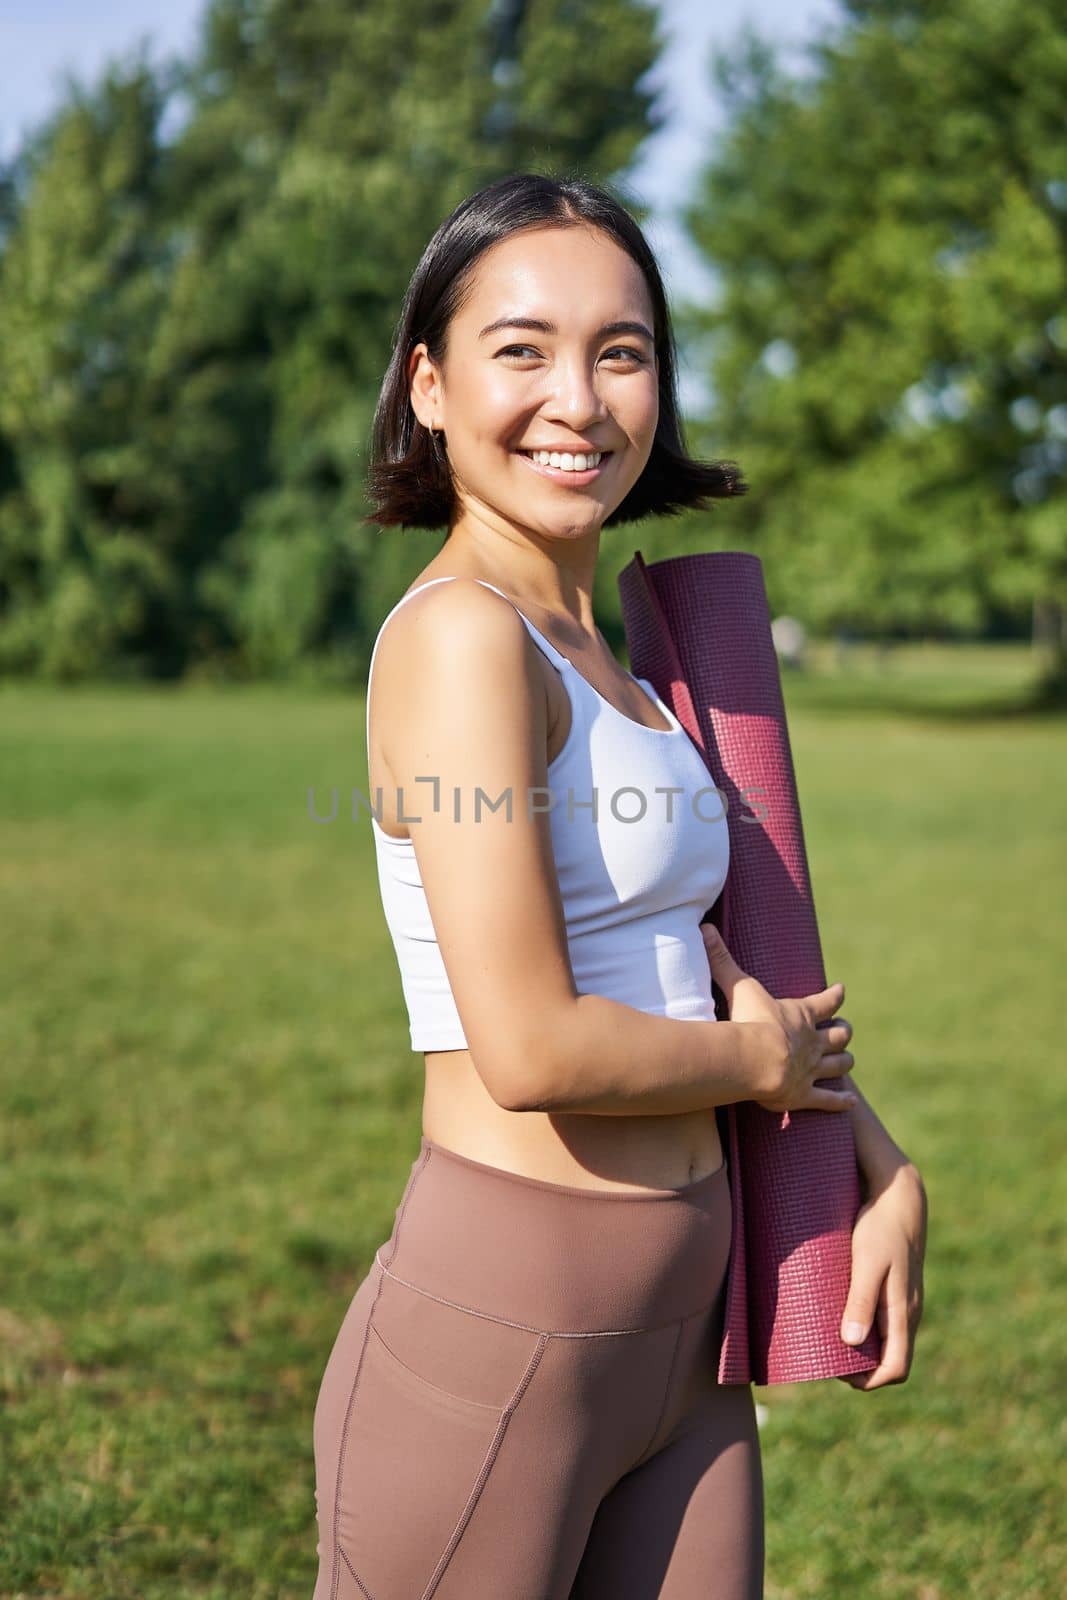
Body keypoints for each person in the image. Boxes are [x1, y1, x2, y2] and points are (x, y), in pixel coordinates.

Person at [311, 171, 926, 1600]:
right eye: (520, 349)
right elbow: (530, 1046)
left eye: (622, 350)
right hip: (505, 1327)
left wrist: (874, 1164)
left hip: (686, 1338)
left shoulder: (628, 663)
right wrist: (755, 1062)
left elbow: (706, 963)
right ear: (431, 386)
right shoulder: (463, 641)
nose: (577, 399)